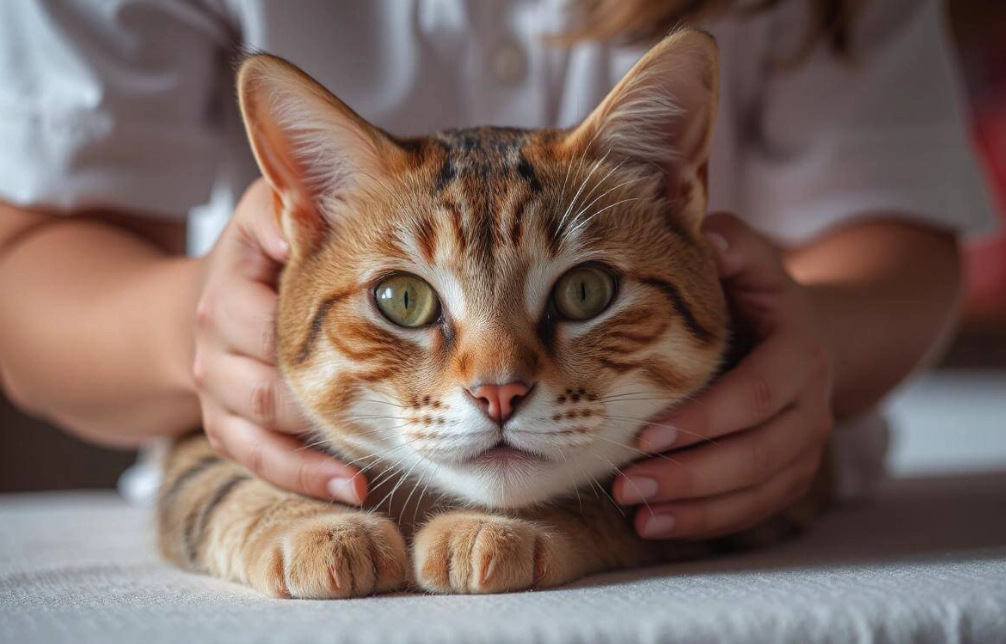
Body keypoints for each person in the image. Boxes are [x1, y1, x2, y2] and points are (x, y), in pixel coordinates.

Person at [0, 0, 994, 541]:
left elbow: (901, 238)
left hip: (728, 488)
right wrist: (198, 328)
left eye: (578, 293)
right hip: (288, 465)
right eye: (405, 301)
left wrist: (816, 343)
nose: (496, 382)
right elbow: (30, 273)